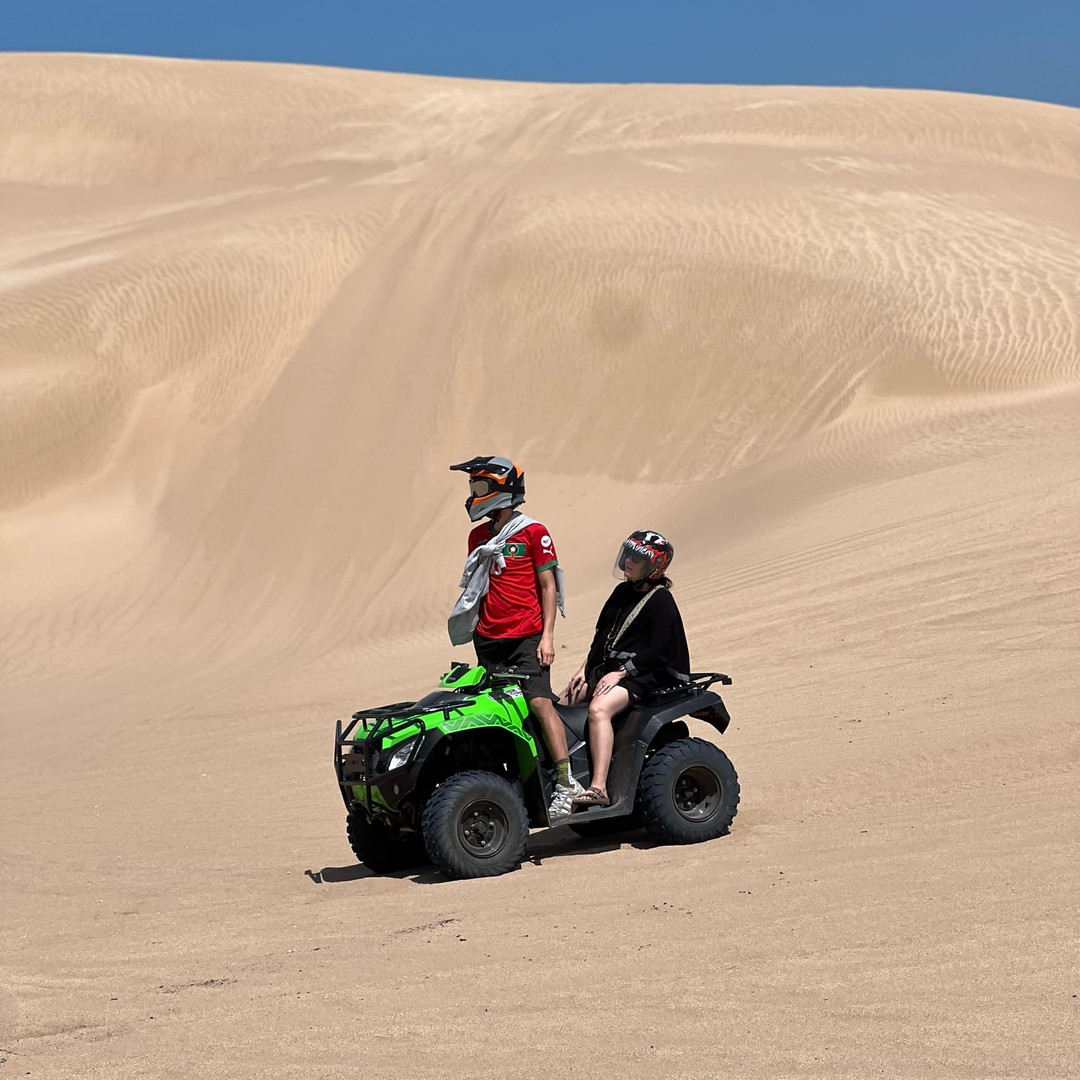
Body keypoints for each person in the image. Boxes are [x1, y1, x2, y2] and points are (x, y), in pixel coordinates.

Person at [447, 456, 585, 822]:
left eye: (479, 487)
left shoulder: (533, 532)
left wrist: (548, 637)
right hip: (488, 638)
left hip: (527, 636)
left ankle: (565, 781)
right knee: (497, 710)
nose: (473, 495)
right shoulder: (478, 537)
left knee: (539, 702)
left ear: (502, 490)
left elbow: (548, 586)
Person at [562, 530, 690, 807]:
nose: (628, 562)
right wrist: (584, 668)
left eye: (636, 558)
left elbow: (658, 649)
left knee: (599, 709)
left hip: (648, 674)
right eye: (627, 555)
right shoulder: (621, 592)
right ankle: (563, 779)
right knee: (559, 707)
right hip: (613, 669)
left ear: (654, 566)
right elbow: (602, 637)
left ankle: (598, 787)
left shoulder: (660, 600)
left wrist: (622, 672)